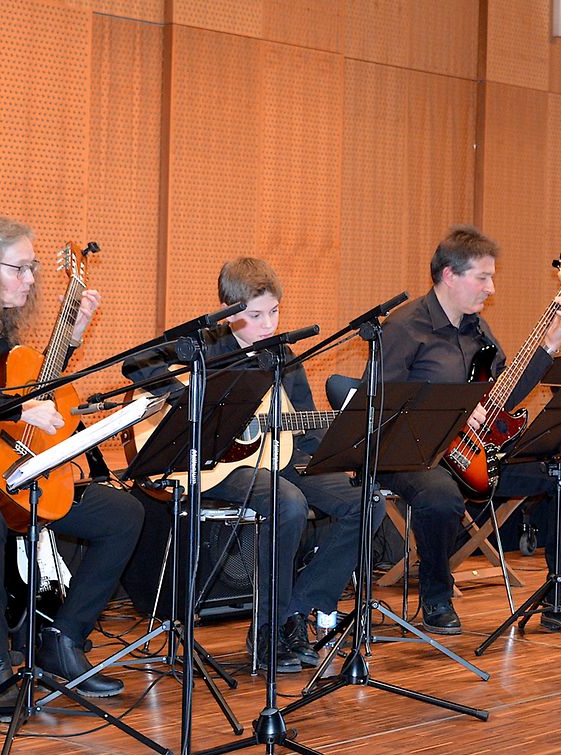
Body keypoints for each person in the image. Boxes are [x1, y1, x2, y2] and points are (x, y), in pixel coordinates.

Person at [0, 215, 142, 697]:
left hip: (6, 467)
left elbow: (33, 391)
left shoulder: (2, 331)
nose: (30, 279)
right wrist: (17, 408)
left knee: (123, 513)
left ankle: (63, 637)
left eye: (32, 268)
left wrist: (71, 338)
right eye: (19, 268)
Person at [123, 257, 375, 672]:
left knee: (366, 501)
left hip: (282, 458)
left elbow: (304, 427)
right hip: (216, 465)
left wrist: (335, 457)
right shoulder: (203, 343)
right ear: (229, 312)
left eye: (274, 312)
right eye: (256, 315)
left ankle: (296, 610)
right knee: (287, 502)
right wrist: (194, 403)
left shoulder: (282, 355)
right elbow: (136, 363)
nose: (269, 324)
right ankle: (266, 631)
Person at [378, 225, 561, 637]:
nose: (491, 288)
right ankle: (436, 597)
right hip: (417, 455)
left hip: (477, 454)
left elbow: (503, 394)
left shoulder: (478, 330)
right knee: (440, 496)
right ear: (450, 275)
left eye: (491, 278)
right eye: (483, 278)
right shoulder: (404, 328)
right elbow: (385, 409)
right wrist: (455, 416)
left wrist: (548, 346)